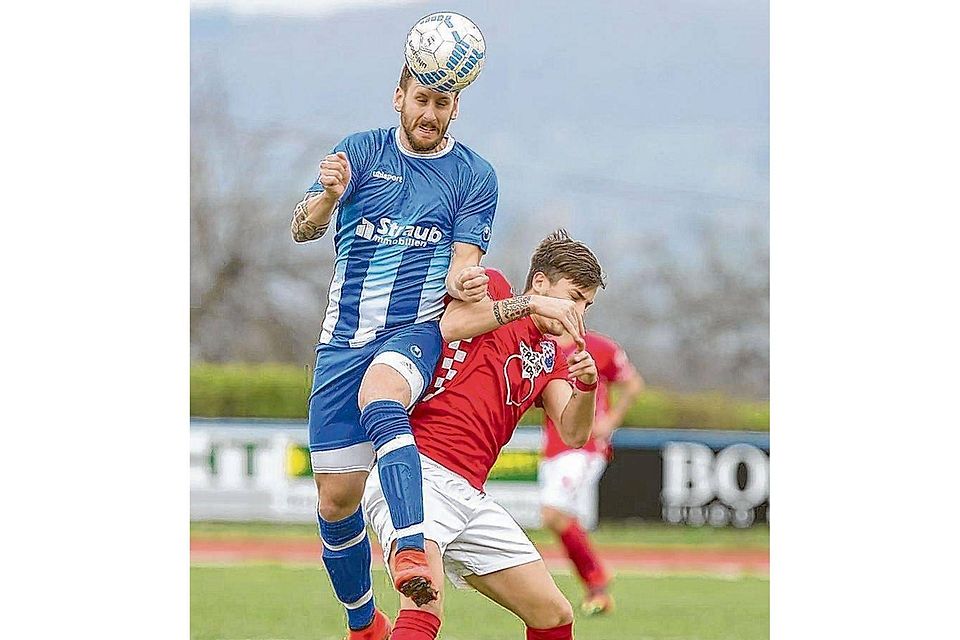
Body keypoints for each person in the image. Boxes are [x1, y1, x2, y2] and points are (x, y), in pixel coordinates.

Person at [290, 64, 498, 640]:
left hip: (414, 333)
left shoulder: (474, 175)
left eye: (442, 103)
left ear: (456, 107)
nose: (430, 114)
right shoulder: (357, 153)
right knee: (336, 501)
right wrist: (329, 197)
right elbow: (301, 229)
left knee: (383, 397)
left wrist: (467, 283)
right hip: (342, 340)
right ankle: (364, 625)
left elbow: (463, 267)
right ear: (399, 97)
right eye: (421, 100)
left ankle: (409, 545)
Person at [363, 230, 606, 640]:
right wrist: (528, 305)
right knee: (425, 607)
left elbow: (574, 432)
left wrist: (588, 387)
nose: (578, 311)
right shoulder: (494, 289)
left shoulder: (552, 358)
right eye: (574, 296)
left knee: (553, 613)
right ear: (541, 283)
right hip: (415, 472)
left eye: (587, 304)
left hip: (469, 497)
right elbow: (452, 324)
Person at [539, 331, 644, 616]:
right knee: (560, 518)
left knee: (553, 513)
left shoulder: (599, 346)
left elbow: (632, 384)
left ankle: (596, 576)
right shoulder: (539, 347)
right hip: (553, 447)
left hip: (585, 447)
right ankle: (595, 584)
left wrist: (611, 419)